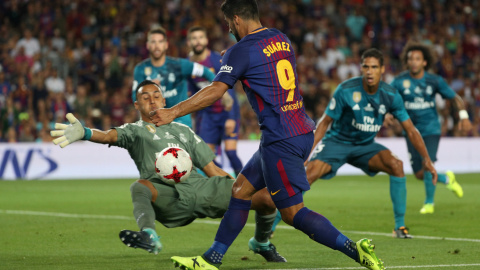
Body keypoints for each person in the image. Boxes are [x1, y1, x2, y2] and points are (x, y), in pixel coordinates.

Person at [150, 1, 385, 269]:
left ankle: (356, 251)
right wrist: (236, 54)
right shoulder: (280, 38)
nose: (229, 29)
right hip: (298, 129)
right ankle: (210, 259)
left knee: (293, 213)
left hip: (281, 139)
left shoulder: (242, 50)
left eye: (229, 25)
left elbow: (216, 91)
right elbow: (260, 60)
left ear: (236, 19)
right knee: (240, 190)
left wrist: (173, 112)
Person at [50, 80, 286, 262]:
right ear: (137, 105)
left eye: (156, 96)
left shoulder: (184, 131)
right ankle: (149, 236)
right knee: (139, 187)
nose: (152, 101)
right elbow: (109, 135)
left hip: (202, 189)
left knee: (266, 199)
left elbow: (212, 169)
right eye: (145, 97)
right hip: (169, 197)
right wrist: (87, 133)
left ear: (163, 101)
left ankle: (261, 244)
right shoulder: (135, 131)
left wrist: (238, 189)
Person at [306, 48, 438, 240]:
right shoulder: (346, 89)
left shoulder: (390, 95)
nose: (369, 71)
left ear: (382, 69)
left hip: (365, 146)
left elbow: (411, 130)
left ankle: (400, 227)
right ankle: (271, 226)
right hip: (337, 142)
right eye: (366, 67)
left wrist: (426, 159)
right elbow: (324, 122)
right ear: (361, 68)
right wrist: (305, 153)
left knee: (396, 165)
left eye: (374, 67)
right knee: (307, 175)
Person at [389, 41, 472, 214]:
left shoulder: (434, 80)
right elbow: (388, 100)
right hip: (410, 130)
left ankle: (429, 203)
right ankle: (447, 179)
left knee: (428, 164)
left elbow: (455, 98)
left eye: (417, 59)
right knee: (419, 174)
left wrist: (463, 116)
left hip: (430, 129)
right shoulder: (400, 81)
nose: (413, 62)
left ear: (424, 62)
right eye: (411, 59)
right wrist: (387, 114)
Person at [132, 27, 219, 128]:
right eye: (153, 42)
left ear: (166, 45)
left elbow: (206, 72)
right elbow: (135, 98)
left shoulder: (179, 65)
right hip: (155, 124)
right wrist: (148, 89)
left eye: (160, 42)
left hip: (180, 123)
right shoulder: (141, 69)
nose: (156, 46)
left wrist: (219, 90)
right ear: (148, 45)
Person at [186, 26, 243, 177]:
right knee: (206, 158)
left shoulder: (216, 60)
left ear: (206, 40)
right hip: (208, 115)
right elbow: (192, 92)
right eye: (194, 38)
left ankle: (245, 186)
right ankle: (227, 182)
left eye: (200, 37)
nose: (198, 41)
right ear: (189, 42)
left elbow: (229, 88)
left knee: (230, 152)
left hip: (226, 111)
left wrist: (231, 116)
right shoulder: (188, 65)